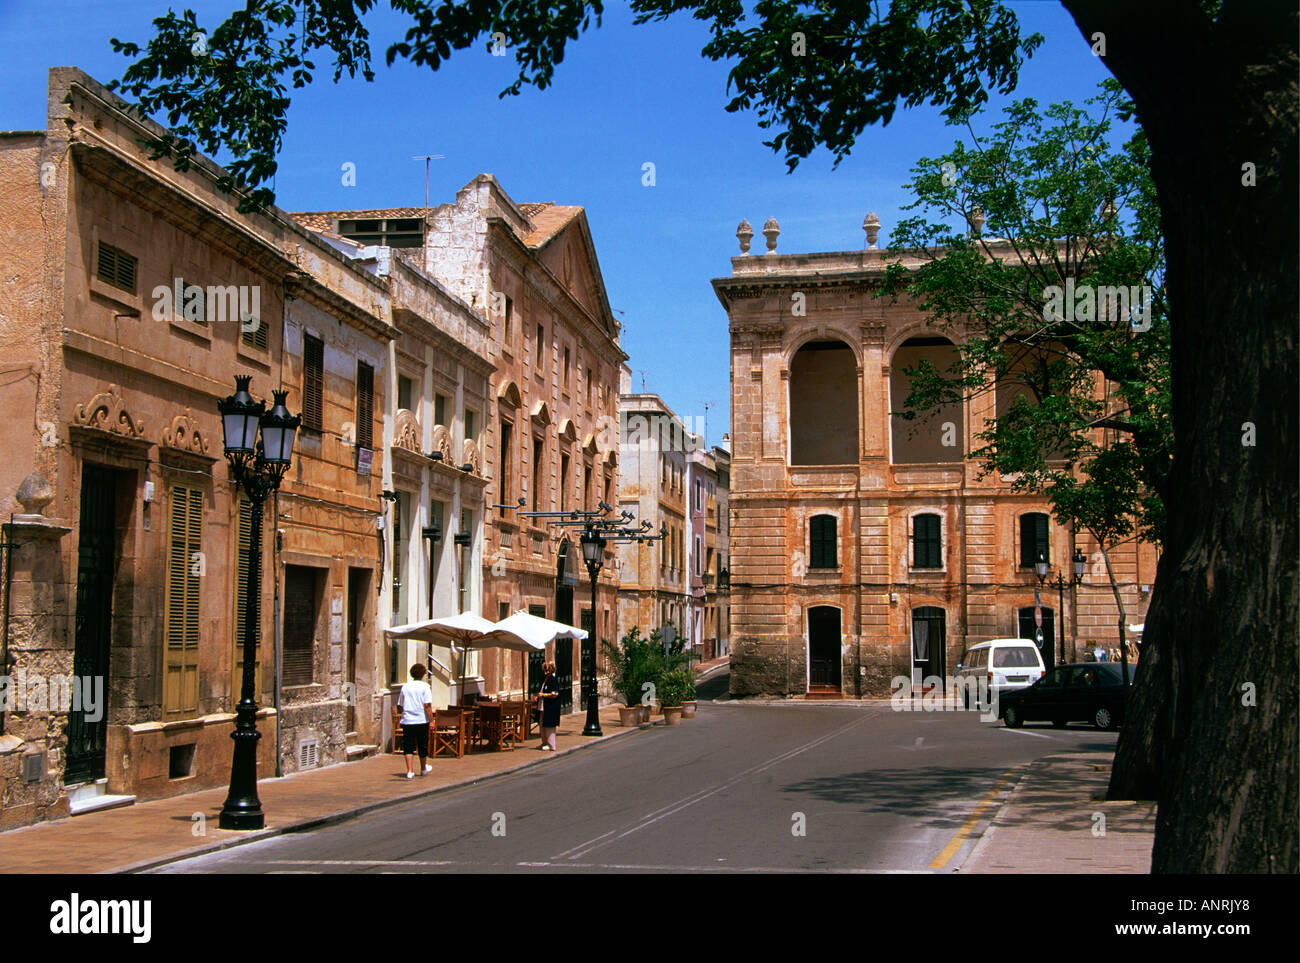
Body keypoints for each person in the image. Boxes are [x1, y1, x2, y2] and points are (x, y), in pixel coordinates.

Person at [398, 663, 434, 778]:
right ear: (423, 674)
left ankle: (409, 771)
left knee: (408, 745)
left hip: (408, 720)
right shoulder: (425, 687)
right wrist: (431, 720)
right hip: (421, 720)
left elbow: (401, 705)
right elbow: (427, 705)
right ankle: (423, 769)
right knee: (422, 744)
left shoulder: (405, 687)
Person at [538, 661, 561, 751]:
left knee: (549, 726)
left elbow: (555, 694)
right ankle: (544, 742)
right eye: (545, 669)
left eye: (548, 669)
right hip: (543, 706)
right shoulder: (544, 679)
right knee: (542, 725)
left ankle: (551, 745)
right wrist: (538, 697)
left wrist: (543, 695)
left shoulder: (553, 680)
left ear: (552, 669)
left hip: (550, 707)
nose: (546, 671)